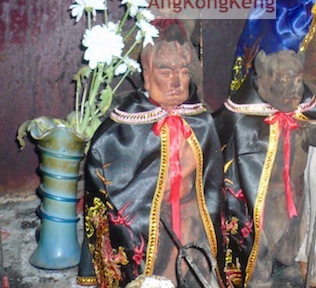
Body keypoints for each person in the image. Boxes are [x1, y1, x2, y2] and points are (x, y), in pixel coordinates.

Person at [77, 22, 223, 287]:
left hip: (193, 229)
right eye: (165, 71)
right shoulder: (120, 133)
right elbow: (104, 202)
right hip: (148, 235)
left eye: (184, 71)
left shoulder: (201, 121)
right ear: (146, 74)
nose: (176, 82)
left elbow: (213, 186)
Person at [215, 50, 316, 287]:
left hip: (293, 197)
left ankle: (290, 263)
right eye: (283, 80)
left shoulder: (303, 111)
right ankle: (259, 275)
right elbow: (243, 157)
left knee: (292, 237)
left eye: (298, 80)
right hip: (259, 201)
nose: (294, 90)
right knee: (260, 242)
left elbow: (308, 132)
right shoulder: (241, 120)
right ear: (263, 80)